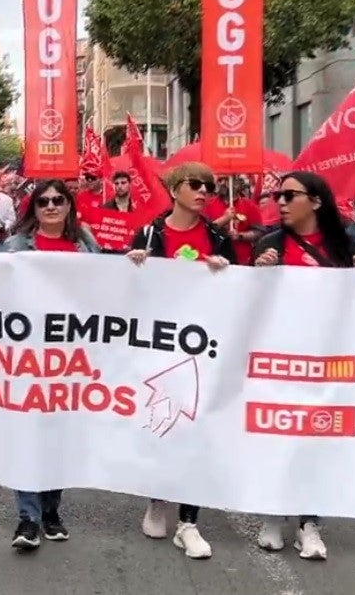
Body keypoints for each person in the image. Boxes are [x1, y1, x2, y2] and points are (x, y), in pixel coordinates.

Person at [252, 171, 355, 561]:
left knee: (315, 440)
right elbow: (246, 307)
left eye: (290, 195)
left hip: (325, 365)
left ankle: (309, 522)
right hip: (278, 362)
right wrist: (257, 275)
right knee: (276, 435)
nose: (281, 202)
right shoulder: (270, 245)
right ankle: (272, 514)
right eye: (278, 196)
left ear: (317, 201)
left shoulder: (344, 248)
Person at [125, 161, 234, 560]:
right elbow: (128, 293)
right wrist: (133, 266)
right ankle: (158, 498)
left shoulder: (218, 238)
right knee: (163, 425)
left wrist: (225, 272)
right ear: (175, 190)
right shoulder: (150, 234)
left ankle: (189, 521)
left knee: (197, 430)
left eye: (210, 186)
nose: (204, 191)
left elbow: (237, 295)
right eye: (195, 184)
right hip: (158, 349)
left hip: (201, 349)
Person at [4, 179, 100, 550]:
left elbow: (110, 285)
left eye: (58, 200)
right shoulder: (14, 246)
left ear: (69, 206)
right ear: (33, 209)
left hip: (70, 357)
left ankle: (51, 511)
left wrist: (134, 261)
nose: (50, 206)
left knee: (58, 437)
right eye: (42, 201)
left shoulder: (84, 246)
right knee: (29, 435)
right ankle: (27, 517)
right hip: (26, 356)